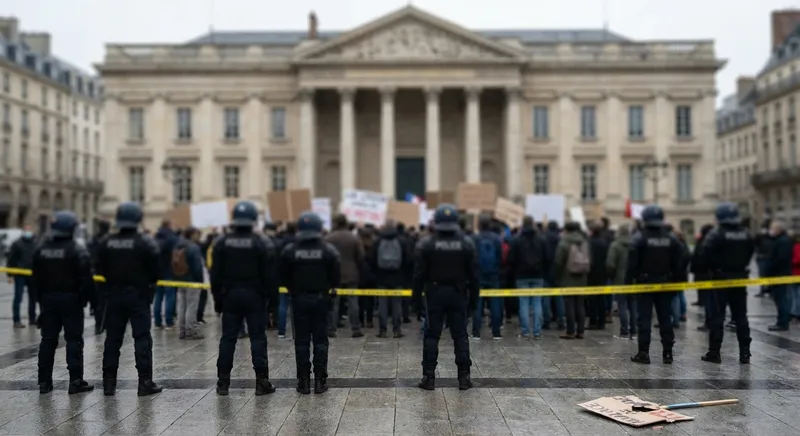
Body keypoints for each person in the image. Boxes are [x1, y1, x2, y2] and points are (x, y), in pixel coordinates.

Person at [211, 201, 278, 396]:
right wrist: (273, 302)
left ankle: (223, 383)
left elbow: (215, 274)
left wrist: (217, 299)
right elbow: (270, 276)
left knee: (228, 338)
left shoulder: (222, 242)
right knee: (257, 338)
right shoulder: (262, 242)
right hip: (254, 296)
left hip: (230, 295)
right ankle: (261, 381)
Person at [95, 202, 162, 396]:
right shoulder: (145, 242)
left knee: (112, 340)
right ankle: (145, 382)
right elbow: (155, 271)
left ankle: (108, 384)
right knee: (141, 338)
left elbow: (99, 268)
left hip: (114, 295)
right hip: (138, 296)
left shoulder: (107, 242)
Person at [412, 204, 478, 391]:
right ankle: (464, 377)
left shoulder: (426, 244)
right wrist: (473, 302)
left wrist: (416, 303)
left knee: (432, 335)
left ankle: (429, 377)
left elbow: (418, 276)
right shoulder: (466, 243)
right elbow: (474, 276)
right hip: (458, 294)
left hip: (435, 293)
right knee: (460, 336)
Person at [33, 211, 95, 394]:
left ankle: (44, 382)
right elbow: (86, 280)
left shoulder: (41, 249)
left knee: (47, 340)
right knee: (74, 340)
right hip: (71, 301)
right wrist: (90, 302)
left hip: (48, 300)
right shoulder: (77, 250)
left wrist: (41, 302)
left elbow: (35, 279)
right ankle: (75, 381)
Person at [279, 212, 341, 394]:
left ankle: (303, 381)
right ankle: (320, 381)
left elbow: (283, 277)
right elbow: (336, 277)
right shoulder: (328, 250)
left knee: (301, 341)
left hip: (298, 299)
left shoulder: (290, 250)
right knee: (321, 340)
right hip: (321, 299)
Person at [626, 205, 684, 365]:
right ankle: (668, 353)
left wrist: (627, 285)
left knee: (644, 318)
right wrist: (678, 284)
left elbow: (631, 265)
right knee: (665, 318)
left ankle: (644, 353)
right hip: (666, 283)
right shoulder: (671, 239)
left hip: (644, 284)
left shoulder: (639, 238)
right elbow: (680, 263)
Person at [700, 202, 755, 364]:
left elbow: (704, 255)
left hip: (720, 280)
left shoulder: (715, 234)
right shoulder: (745, 233)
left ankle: (714, 352)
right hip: (739, 278)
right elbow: (750, 251)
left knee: (717, 317)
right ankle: (745, 353)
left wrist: (710, 269)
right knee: (741, 317)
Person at [507, 216, 550, 340]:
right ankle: (537, 332)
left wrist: (515, 269)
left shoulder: (517, 240)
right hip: (538, 275)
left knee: (524, 303)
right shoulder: (541, 240)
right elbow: (547, 258)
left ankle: (525, 331)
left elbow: (511, 258)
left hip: (521, 275)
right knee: (537, 303)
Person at [370, 219, 411, 339]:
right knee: (397, 304)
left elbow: (372, 259)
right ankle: (397, 330)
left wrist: (376, 272)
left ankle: (382, 330)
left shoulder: (378, 241)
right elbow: (408, 259)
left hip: (382, 277)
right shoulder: (401, 240)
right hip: (397, 277)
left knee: (382, 304)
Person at [554, 221, 590, 340]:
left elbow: (558, 262)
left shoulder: (564, 243)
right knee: (580, 305)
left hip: (567, 276)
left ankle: (570, 331)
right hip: (582, 277)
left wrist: (558, 277)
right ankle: (581, 331)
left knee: (569, 305)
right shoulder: (584, 241)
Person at [471, 215, 504, 339]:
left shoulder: (475, 238)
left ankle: (476, 332)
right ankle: (496, 332)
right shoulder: (496, 239)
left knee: (477, 304)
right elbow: (501, 257)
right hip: (494, 275)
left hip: (478, 275)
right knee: (495, 304)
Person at [173, 227, 205, 340]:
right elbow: (197, 267)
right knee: (192, 306)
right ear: (192, 234)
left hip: (180, 278)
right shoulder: (193, 247)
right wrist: (200, 281)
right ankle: (191, 331)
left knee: (182, 305)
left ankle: (182, 331)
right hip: (192, 281)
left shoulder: (177, 245)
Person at [607, 223, 635, 339]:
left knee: (622, 305)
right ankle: (634, 330)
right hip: (634, 280)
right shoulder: (635, 244)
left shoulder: (615, 245)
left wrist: (612, 277)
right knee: (633, 305)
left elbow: (610, 264)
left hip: (620, 280)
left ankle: (624, 331)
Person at [7, 225, 38, 328]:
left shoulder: (36, 243)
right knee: (18, 298)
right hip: (20, 274)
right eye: (26, 230)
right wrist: (10, 274)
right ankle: (16, 320)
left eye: (30, 230)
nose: (28, 232)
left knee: (33, 298)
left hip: (33, 275)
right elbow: (11, 259)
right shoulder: (17, 244)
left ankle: (32, 319)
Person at [765, 220, 794, 331]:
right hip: (780, 274)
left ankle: (782, 322)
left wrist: (771, 267)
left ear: (778, 229)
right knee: (780, 298)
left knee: (781, 298)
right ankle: (782, 321)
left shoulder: (782, 241)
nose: (771, 231)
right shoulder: (781, 240)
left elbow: (781, 259)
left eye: (773, 228)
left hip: (779, 275)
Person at [89, 219, 111, 334]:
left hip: (95, 274)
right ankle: (105, 324)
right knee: (108, 301)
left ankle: (98, 325)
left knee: (98, 302)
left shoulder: (94, 239)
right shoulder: (109, 240)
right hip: (107, 275)